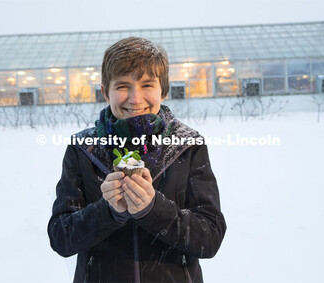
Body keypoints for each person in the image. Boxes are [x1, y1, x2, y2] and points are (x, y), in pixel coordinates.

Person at [47, 37, 226, 283]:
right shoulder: (83, 149)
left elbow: (210, 238)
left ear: (163, 90)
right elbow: (61, 238)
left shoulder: (188, 146)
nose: (135, 98)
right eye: (122, 86)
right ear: (105, 92)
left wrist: (153, 209)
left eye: (147, 85)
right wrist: (108, 212)